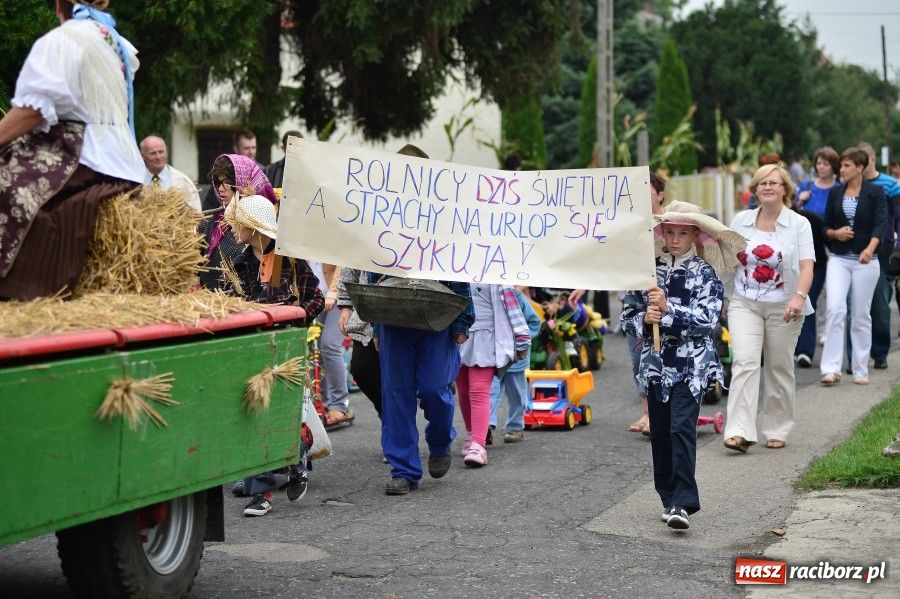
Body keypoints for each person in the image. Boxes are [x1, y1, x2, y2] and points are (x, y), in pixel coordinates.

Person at [0, 0, 144, 301]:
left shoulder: (62, 41)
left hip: (85, 155)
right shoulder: (114, 42)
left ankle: (21, 288)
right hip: (125, 162)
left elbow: (31, 111)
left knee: (8, 179)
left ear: (58, 6)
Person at [621, 206, 726, 530]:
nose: (676, 238)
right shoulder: (647, 274)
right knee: (662, 433)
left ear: (696, 235)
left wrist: (667, 313)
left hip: (691, 366)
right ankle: (667, 496)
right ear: (661, 234)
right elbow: (627, 316)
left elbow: (708, 321)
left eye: (683, 233)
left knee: (682, 428)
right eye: (670, 232)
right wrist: (644, 319)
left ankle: (683, 501)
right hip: (656, 365)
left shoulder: (704, 273)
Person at [223, 194, 324, 516]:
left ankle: (295, 459)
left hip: (287, 349)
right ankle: (262, 492)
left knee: (281, 414)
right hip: (252, 350)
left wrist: (294, 319)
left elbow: (315, 299)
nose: (232, 228)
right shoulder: (239, 264)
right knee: (255, 415)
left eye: (238, 223)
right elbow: (231, 305)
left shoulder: (288, 260)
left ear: (254, 226)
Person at [724, 163, 813, 453]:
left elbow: (807, 266)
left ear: (785, 189)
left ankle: (777, 428)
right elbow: (727, 258)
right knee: (745, 362)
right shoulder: (741, 220)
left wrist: (799, 297)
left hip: (784, 307)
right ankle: (739, 431)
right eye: (762, 182)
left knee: (778, 366)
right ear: (755, 189)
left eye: (774, 182)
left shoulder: (799, 224)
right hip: (744, 303)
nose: (768, 187)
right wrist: (723, 298)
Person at [820, 147, 887, 386]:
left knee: (860, 315)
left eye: (847, 165)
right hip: (839, 258)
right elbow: (825, 226)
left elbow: (881, 224)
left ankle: (860, 369)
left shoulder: (876, 192)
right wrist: (835, 233)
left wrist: (870, 249)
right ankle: (830, 369)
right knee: (836, 310)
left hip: (865, 261)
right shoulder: (836, 193)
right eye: (842, 165)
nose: (842, 169)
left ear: (860, 167)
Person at [456, 284, 531, 466]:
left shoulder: (497, 273)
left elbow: (512, 307)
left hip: (486, 338)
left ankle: (478, 445)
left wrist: (521, 339)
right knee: (464, 392)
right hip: (457, 336)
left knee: (479, 391)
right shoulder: (456, 265)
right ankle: (471, 433)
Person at [198, 154, 278, 291]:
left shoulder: (267, 221)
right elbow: (195, 267)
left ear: (244, 181)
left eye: (227, 182)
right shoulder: (212, 224)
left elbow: (278, 284)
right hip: (214, 306)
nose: (220, 189)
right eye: (218, 182)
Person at [854, 141, 900, 370]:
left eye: (864, 161)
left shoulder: (890, 185)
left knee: (880, 305)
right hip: (854, 252)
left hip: (882, 253)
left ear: (872, 159)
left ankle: (880, 352)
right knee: (854, 306)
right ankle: (855, 356)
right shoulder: (851, 185)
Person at [488, 287, 541, 443]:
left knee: (516, 395)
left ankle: (516, 426)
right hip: (494, 356)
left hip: (516, 358)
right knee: (490, 392)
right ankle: (487, 426)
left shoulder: (515, 295)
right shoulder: (484, 295)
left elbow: (534, 321)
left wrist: (521, 341)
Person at [201, 128, 261, 211]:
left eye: (253, 147)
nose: (251, 152)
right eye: (246, 148)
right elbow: (208, 210)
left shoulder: (263, 173)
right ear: (236, 149)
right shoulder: (224, 173)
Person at [139, 135, 201, 211]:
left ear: (167, 151)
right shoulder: (135, 182)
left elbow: (197, 215)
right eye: (153, 153)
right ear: (142, 156)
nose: (158, 157)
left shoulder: (183, 182)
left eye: (161, 152)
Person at [794, 146, 840, 216]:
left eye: (825, 164)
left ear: (834, 166)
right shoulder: (806, 185)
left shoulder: (839, 189)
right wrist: (800, 200)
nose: (821, 167)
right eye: (818, 163)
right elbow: (793, 213)